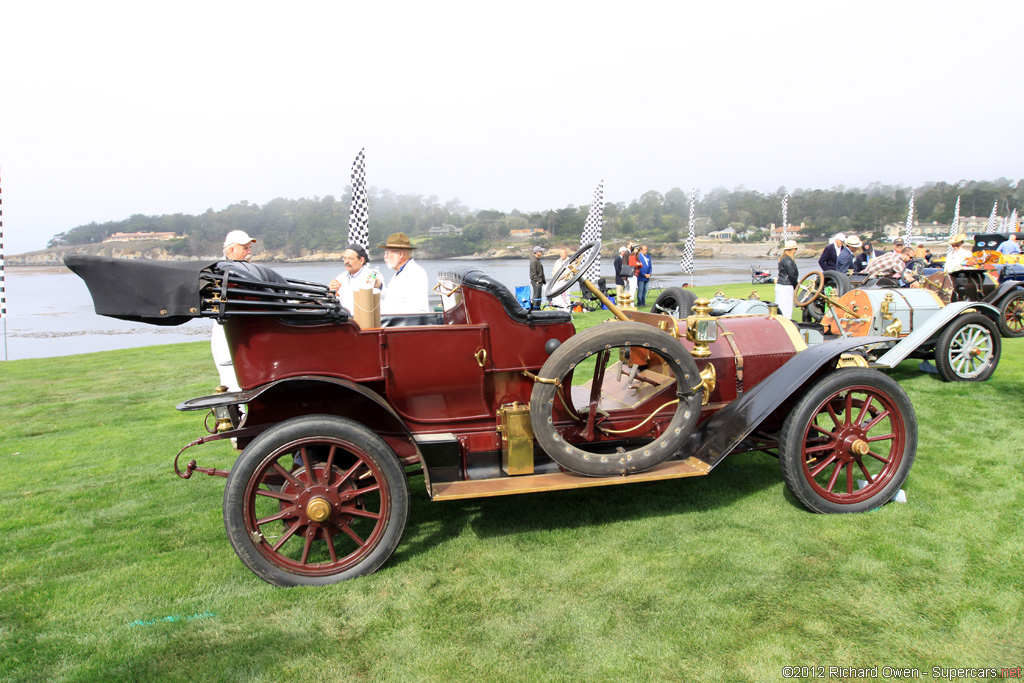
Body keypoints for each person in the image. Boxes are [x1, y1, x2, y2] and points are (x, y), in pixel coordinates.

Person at [211, 230, 259, 392]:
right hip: (229, 335)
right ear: (232, 250)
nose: (249, 251)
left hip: (248, 334)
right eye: (245, 248)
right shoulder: (222, 274)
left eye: (249, 248)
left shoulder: (247, 270)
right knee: (232, 384)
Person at [379, 232, 429, 314]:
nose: (385, 256)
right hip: (394, 324)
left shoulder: (415, 273)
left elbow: (420, 310)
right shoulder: (400, 272)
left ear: (401, 254)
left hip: (402, 325)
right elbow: (393, 299)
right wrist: (380, 286)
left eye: (387, 253)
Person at [328, 244, 385, 314]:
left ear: (361, 260)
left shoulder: (373, 275)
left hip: (366, 318)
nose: (346, 262)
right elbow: (336, 301)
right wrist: (331, 292)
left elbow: (385, 297)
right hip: (345, 319)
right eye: (345, 258)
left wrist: (379, 286)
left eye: (350, 258)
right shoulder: (340, 277)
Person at [775, 239, 800, 320]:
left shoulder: (783, 258)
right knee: (786, 309)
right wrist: (796, 285)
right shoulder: (787, 260)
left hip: (782, 285)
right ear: (792, 250)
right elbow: (792, 274)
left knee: (782, 307)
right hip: (786, 286)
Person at [529, 245, 546, 309]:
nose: (541, 252)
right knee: (536, 296)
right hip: (536, 281)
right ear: (536, 252)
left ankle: (538, 308)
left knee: (539, 296)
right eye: (540, 251)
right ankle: (535, 309)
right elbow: (533, 273)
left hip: (540, 281)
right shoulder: (534, 260)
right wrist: (537, 281)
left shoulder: (537, 260)